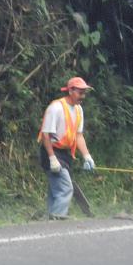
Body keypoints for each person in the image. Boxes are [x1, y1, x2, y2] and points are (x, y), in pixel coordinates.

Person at [38, 76, 96, 219]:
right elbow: (46, 135)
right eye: (80, 92)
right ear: (70, 91)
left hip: (65, 154)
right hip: (50, 150)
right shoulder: (55, 108)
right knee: (65, 188)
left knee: (55, 190)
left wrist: (87, 156)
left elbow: (79, 135)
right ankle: (57, 219)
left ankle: (48, 222)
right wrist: (52, 158)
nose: (83, 96)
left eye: (84, 93)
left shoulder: (79, 110)